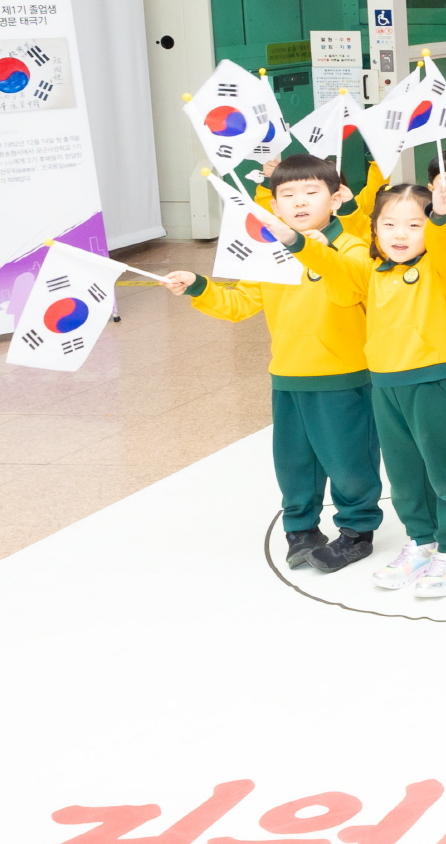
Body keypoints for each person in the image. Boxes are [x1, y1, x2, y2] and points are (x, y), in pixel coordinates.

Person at [162, 154, 380, 576]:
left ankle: (357, 531)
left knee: (349, 459)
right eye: (288, 195)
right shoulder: (268, 254)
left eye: (311, 192)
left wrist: (308, 249)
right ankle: (300, 530)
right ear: (275, 207)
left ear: (335, 199)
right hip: (287, 374)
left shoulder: (351, 247)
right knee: (294, 461)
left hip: (343, 376)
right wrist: (198, 287)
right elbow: (239, 304)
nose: (299, 201)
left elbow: (347, 287)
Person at [288, 178, 446, 599]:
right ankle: (420, 541)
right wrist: (296, 241)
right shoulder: (371, 269)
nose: (400, 235)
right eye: (389, 225)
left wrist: (441, 216)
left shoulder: (438, 267)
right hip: (385, 384)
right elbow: (335, 266)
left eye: (413, 225)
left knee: (443, 471)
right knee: (404, 473)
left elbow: (443, 243)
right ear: (374, 231)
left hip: (431, 381)